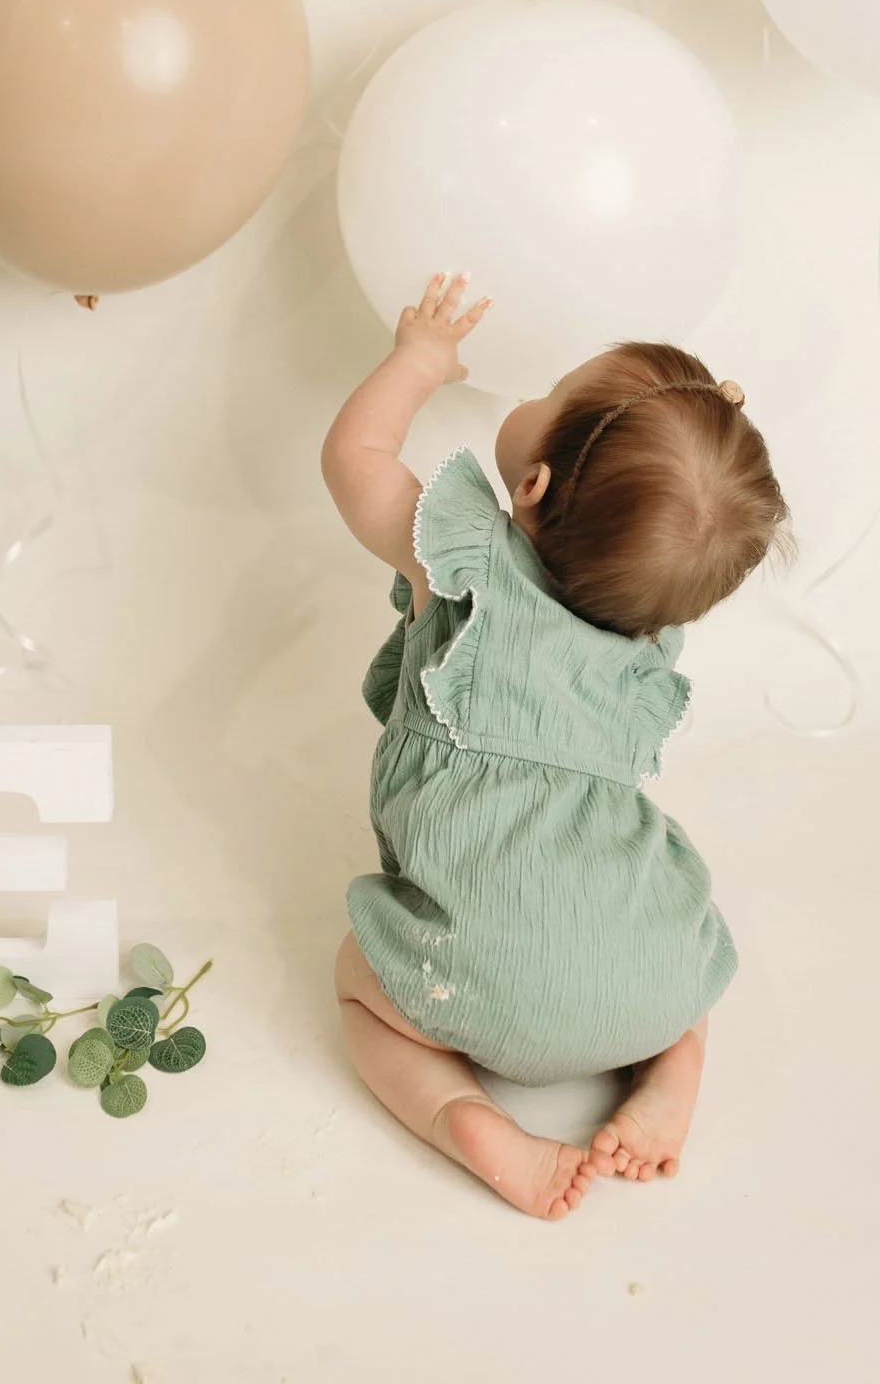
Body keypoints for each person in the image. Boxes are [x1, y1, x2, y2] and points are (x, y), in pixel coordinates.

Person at [322, 274, 789, 1220]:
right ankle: (670, 1070)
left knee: (353, 979)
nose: (527, 395)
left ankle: (461, 1113)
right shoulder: (649, 640)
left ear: (529, 486)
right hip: (641, 993)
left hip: (479, 997)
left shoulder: (458, 567)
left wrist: (417, 361)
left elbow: (354, 455)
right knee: (687, 952)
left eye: (549, 393)